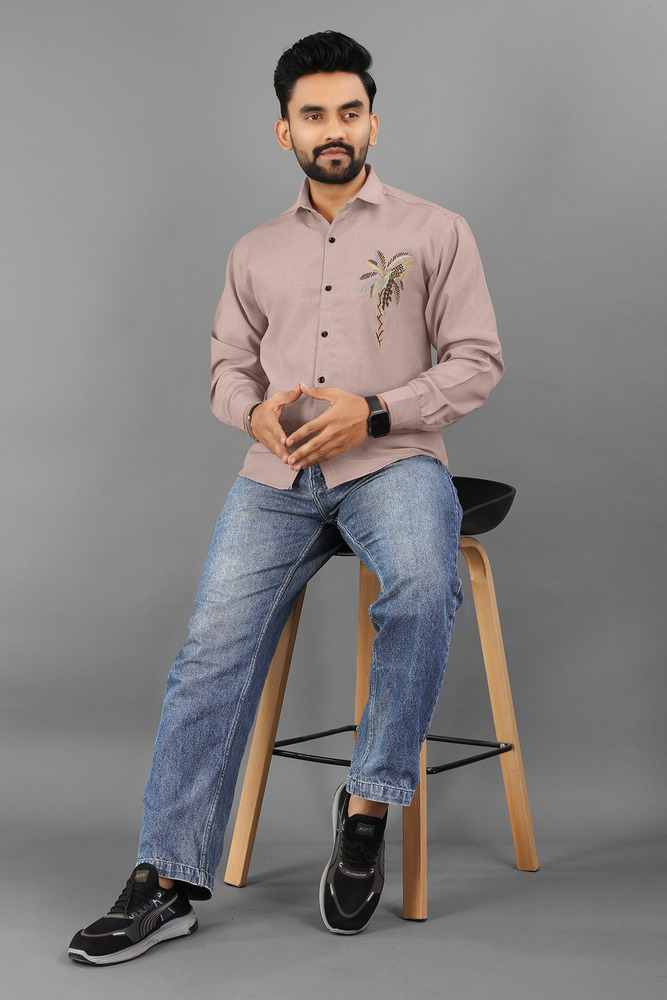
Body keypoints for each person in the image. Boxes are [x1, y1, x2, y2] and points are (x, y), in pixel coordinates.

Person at [68, 29, 503, 965]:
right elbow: (226, 368)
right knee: (209, 650)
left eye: (349, 111)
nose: (333, 128)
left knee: (423, 587)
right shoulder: (254, 250)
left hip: (393, 464)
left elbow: (476, 361)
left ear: (373, 121)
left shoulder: (436, 231)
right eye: (314, 115)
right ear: (285, 131)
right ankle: (167, 879)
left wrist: (373, 411)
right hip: (277, 480)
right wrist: (253, 413)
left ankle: (367, 806)